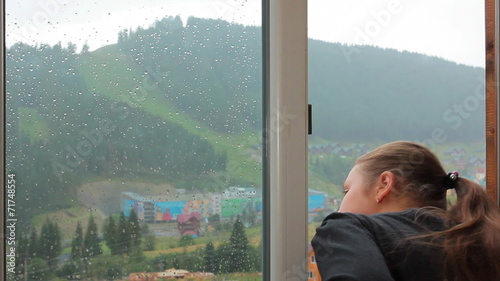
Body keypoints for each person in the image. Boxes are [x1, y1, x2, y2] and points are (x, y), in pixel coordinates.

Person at [311, 141, 500, 281]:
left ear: (384, 185)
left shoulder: (348, 230)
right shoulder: (479, 241)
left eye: (347, 190)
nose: (341, 205)